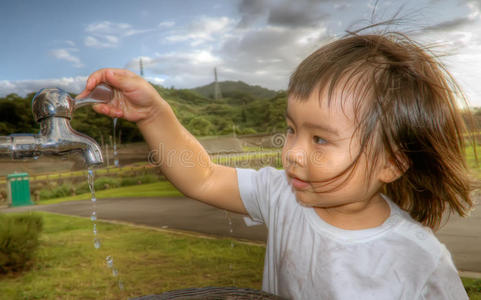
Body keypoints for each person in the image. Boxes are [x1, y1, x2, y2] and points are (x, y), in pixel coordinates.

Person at [78, 30, 474, 299]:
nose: (292, 153)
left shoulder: (419, 261)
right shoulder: (282, 194)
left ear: (391, 162)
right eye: (291, 129)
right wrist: (153, 116)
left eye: (320, 138)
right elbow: (202, 176)